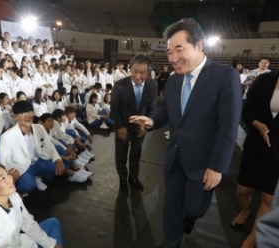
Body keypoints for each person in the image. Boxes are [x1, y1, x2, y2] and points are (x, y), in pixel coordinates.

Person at [129, 18, 242, 247]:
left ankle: (190, 217)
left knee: (195, 208)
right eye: (170, 52)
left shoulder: (225, 77)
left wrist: (217, 167)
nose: (173, 58)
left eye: (179, 50)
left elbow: (228, 127)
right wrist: (152, 120)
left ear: (199, 45)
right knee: (170, 206)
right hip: (174, 158)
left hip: (204, 163)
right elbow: (168, 112)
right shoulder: (172, 80)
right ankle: (172, 241)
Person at [232, 70, 279, 248]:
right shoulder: (265, 80)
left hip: (277, 152)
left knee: (268, 198)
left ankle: (252, 238)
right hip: (256, 144)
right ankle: (245, 211)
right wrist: (257, 124)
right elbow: (247, 111)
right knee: (243, 190)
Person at [0, 163, 63, 248]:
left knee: (53, 223)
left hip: (20, 242)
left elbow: (28, 223)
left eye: (7, 173)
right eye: (2, 178)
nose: (10, 179)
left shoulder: (13, 196)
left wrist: (52, 245)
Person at [110, 53, 157, 192]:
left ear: (149, 73)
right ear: (130, 69)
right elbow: (114, 108)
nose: (137, 76)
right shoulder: (119, 85)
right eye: (135, 71)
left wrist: (145, 126)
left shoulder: (153, 85)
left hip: (140, 129)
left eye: (142, 73)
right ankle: (123, 180)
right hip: (122, 128)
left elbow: (152, 108)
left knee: (136, 155)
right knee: (121, 156)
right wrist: (120, 126)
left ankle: (133, 178)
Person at [0, 101, 64, 193]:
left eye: (30, 112)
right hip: (20, 167)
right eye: (22, 113)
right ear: (16, 117)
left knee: (54, 165)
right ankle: (26, 183)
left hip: (36, 162)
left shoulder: (39, 128)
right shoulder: (6, 136)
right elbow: (4, 161)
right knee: (28, 186)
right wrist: (12, 173)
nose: (27, 116)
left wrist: (58, 161)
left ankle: (36, 176)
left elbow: (49, 146)